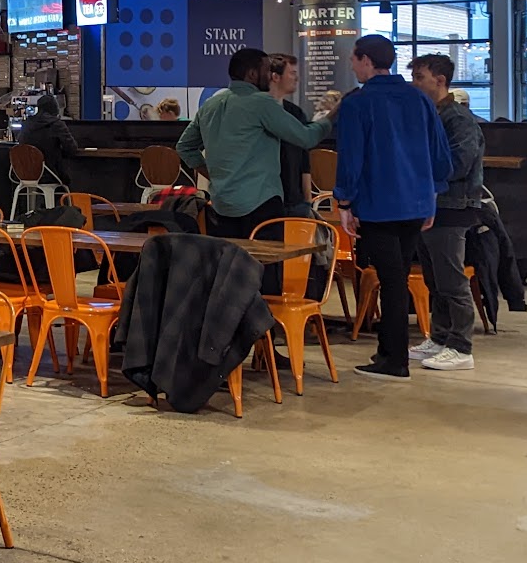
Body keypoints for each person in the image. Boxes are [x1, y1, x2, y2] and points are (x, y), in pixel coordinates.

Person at [334, 34, 451, 383]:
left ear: (366, 61)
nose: (351, 65)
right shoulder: (419, 99)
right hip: (416, 201)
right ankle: (389, 351)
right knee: (396, 277)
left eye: (354, 59)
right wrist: (433, 193)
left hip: (378, 204)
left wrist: (344, 201)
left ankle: (394, 359)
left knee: (392, 281)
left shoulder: (357, 103)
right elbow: (439, 153)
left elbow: (351, 157)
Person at [176, 48, 332, 239]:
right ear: (252, 74)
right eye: (266, 70)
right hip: (261, 205)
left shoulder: (210, 105)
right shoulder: (261, 103)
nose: (270, 76)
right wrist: (332, 115)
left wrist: (212, 174)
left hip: (221, 205)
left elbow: (184, 147)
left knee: (230, 257)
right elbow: (306, 138)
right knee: (266, 258)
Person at [407, 53, 484, 373]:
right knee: (434, 279)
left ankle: (461, 346)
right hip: (430, 205)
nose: (414, 84)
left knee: (452, 281)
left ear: (439, 81)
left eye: (419, 78)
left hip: (453, 207)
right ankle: (440, 338)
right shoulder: (430, 115)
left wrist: (419, 168)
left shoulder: (458, 119)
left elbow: (458, 164)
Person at [268, 53, 315, 219]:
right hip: (265, 202)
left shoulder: (296, 113)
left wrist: (307, 201)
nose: (297, 78)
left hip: (295, 202)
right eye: (292, 73)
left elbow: (304, 161)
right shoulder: (257, 113)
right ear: (275, 77)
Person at [19, 93, 78, 188]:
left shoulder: (26, 124)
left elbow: (20, 144)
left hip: (25, 174)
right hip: (50, 175)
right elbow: (72, 149)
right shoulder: (57, 124)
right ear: (55, 108)